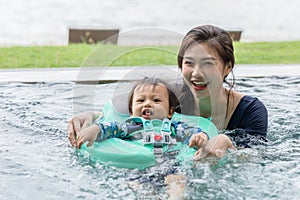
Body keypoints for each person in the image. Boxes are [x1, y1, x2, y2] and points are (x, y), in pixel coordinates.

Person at [68, 24, 267, 158]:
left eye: (208, 64)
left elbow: (256, 158)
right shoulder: (169, 97)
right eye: (189, 63)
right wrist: (88, 116)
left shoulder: (250, 111)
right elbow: (123, 109)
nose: (197, 74)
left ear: (228, 66)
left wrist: (228, 143)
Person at [75, 76, 211, 151]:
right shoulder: (129, 127)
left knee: (176, 181)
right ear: (131, 111)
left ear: (170, 112)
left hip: (170, 164)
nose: (147, 104)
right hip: (138, 166)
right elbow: (110, 128)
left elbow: (190, 131)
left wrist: (200, 136)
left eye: (156, 100)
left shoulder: (173, 127)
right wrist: (94, 129)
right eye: (140, 100)